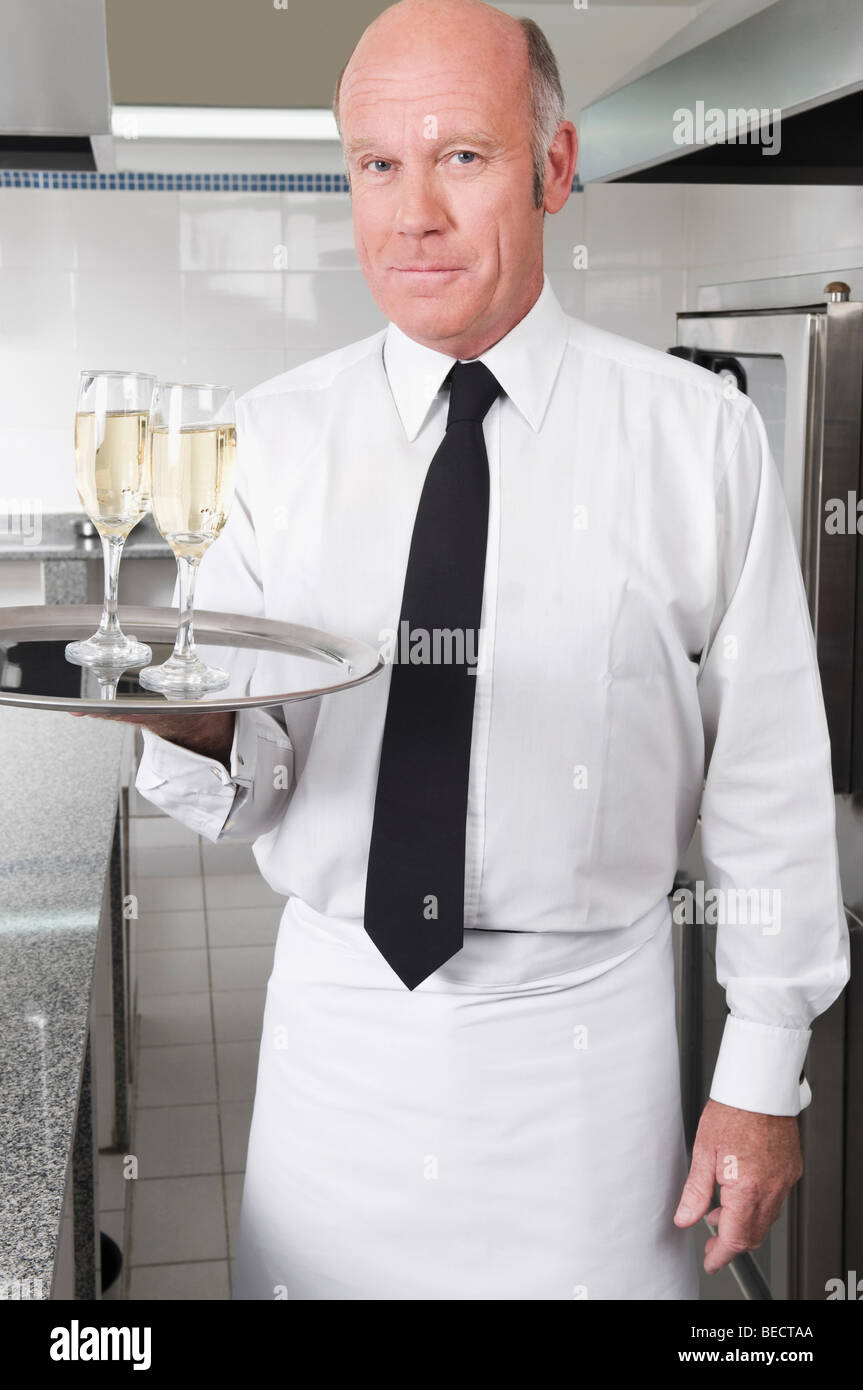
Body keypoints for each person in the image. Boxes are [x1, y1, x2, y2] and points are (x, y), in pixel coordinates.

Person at [132, 0, 849, 1299]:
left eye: (460, 156)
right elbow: (243, 785)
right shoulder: (268, 443)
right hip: (335, 1054)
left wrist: (760, 1073)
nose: (412, 213)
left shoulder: (697, 438)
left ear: (555, 167)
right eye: (376, 165)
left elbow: (769, 777)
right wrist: (180, 716)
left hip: (586, 1073)